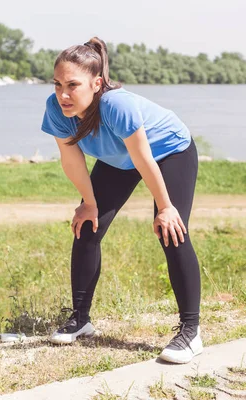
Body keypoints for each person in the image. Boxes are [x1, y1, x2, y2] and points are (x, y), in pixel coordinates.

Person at [40, 37, 202, 364]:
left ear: (96, 83)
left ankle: (191, 331)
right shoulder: (57, 108)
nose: (63, 94)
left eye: (72, 85)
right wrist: (89, 202)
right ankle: (81, 319)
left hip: (168, 152)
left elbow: (144, 159)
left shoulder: (116, 105)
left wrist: (166, 207)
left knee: (171, 230)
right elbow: (71, 160)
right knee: (87, 227)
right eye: (57, 84)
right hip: (120, 161)